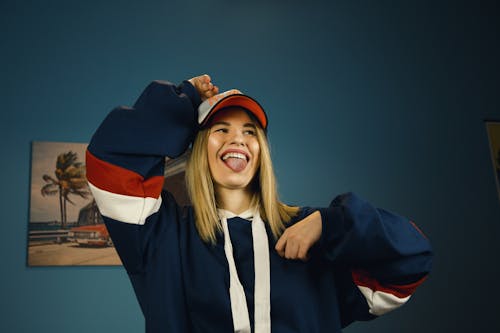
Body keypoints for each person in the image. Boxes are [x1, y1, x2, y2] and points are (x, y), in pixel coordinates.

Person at [86, 74, 433, 333]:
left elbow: (411, 258)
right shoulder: (161, 236)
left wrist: (331, 224)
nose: (237, 137)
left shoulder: (312, 232)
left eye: (250, 131)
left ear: (261, 153)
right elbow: (111, 158)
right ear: (199, 149)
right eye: (220, 129)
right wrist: (183, 100)